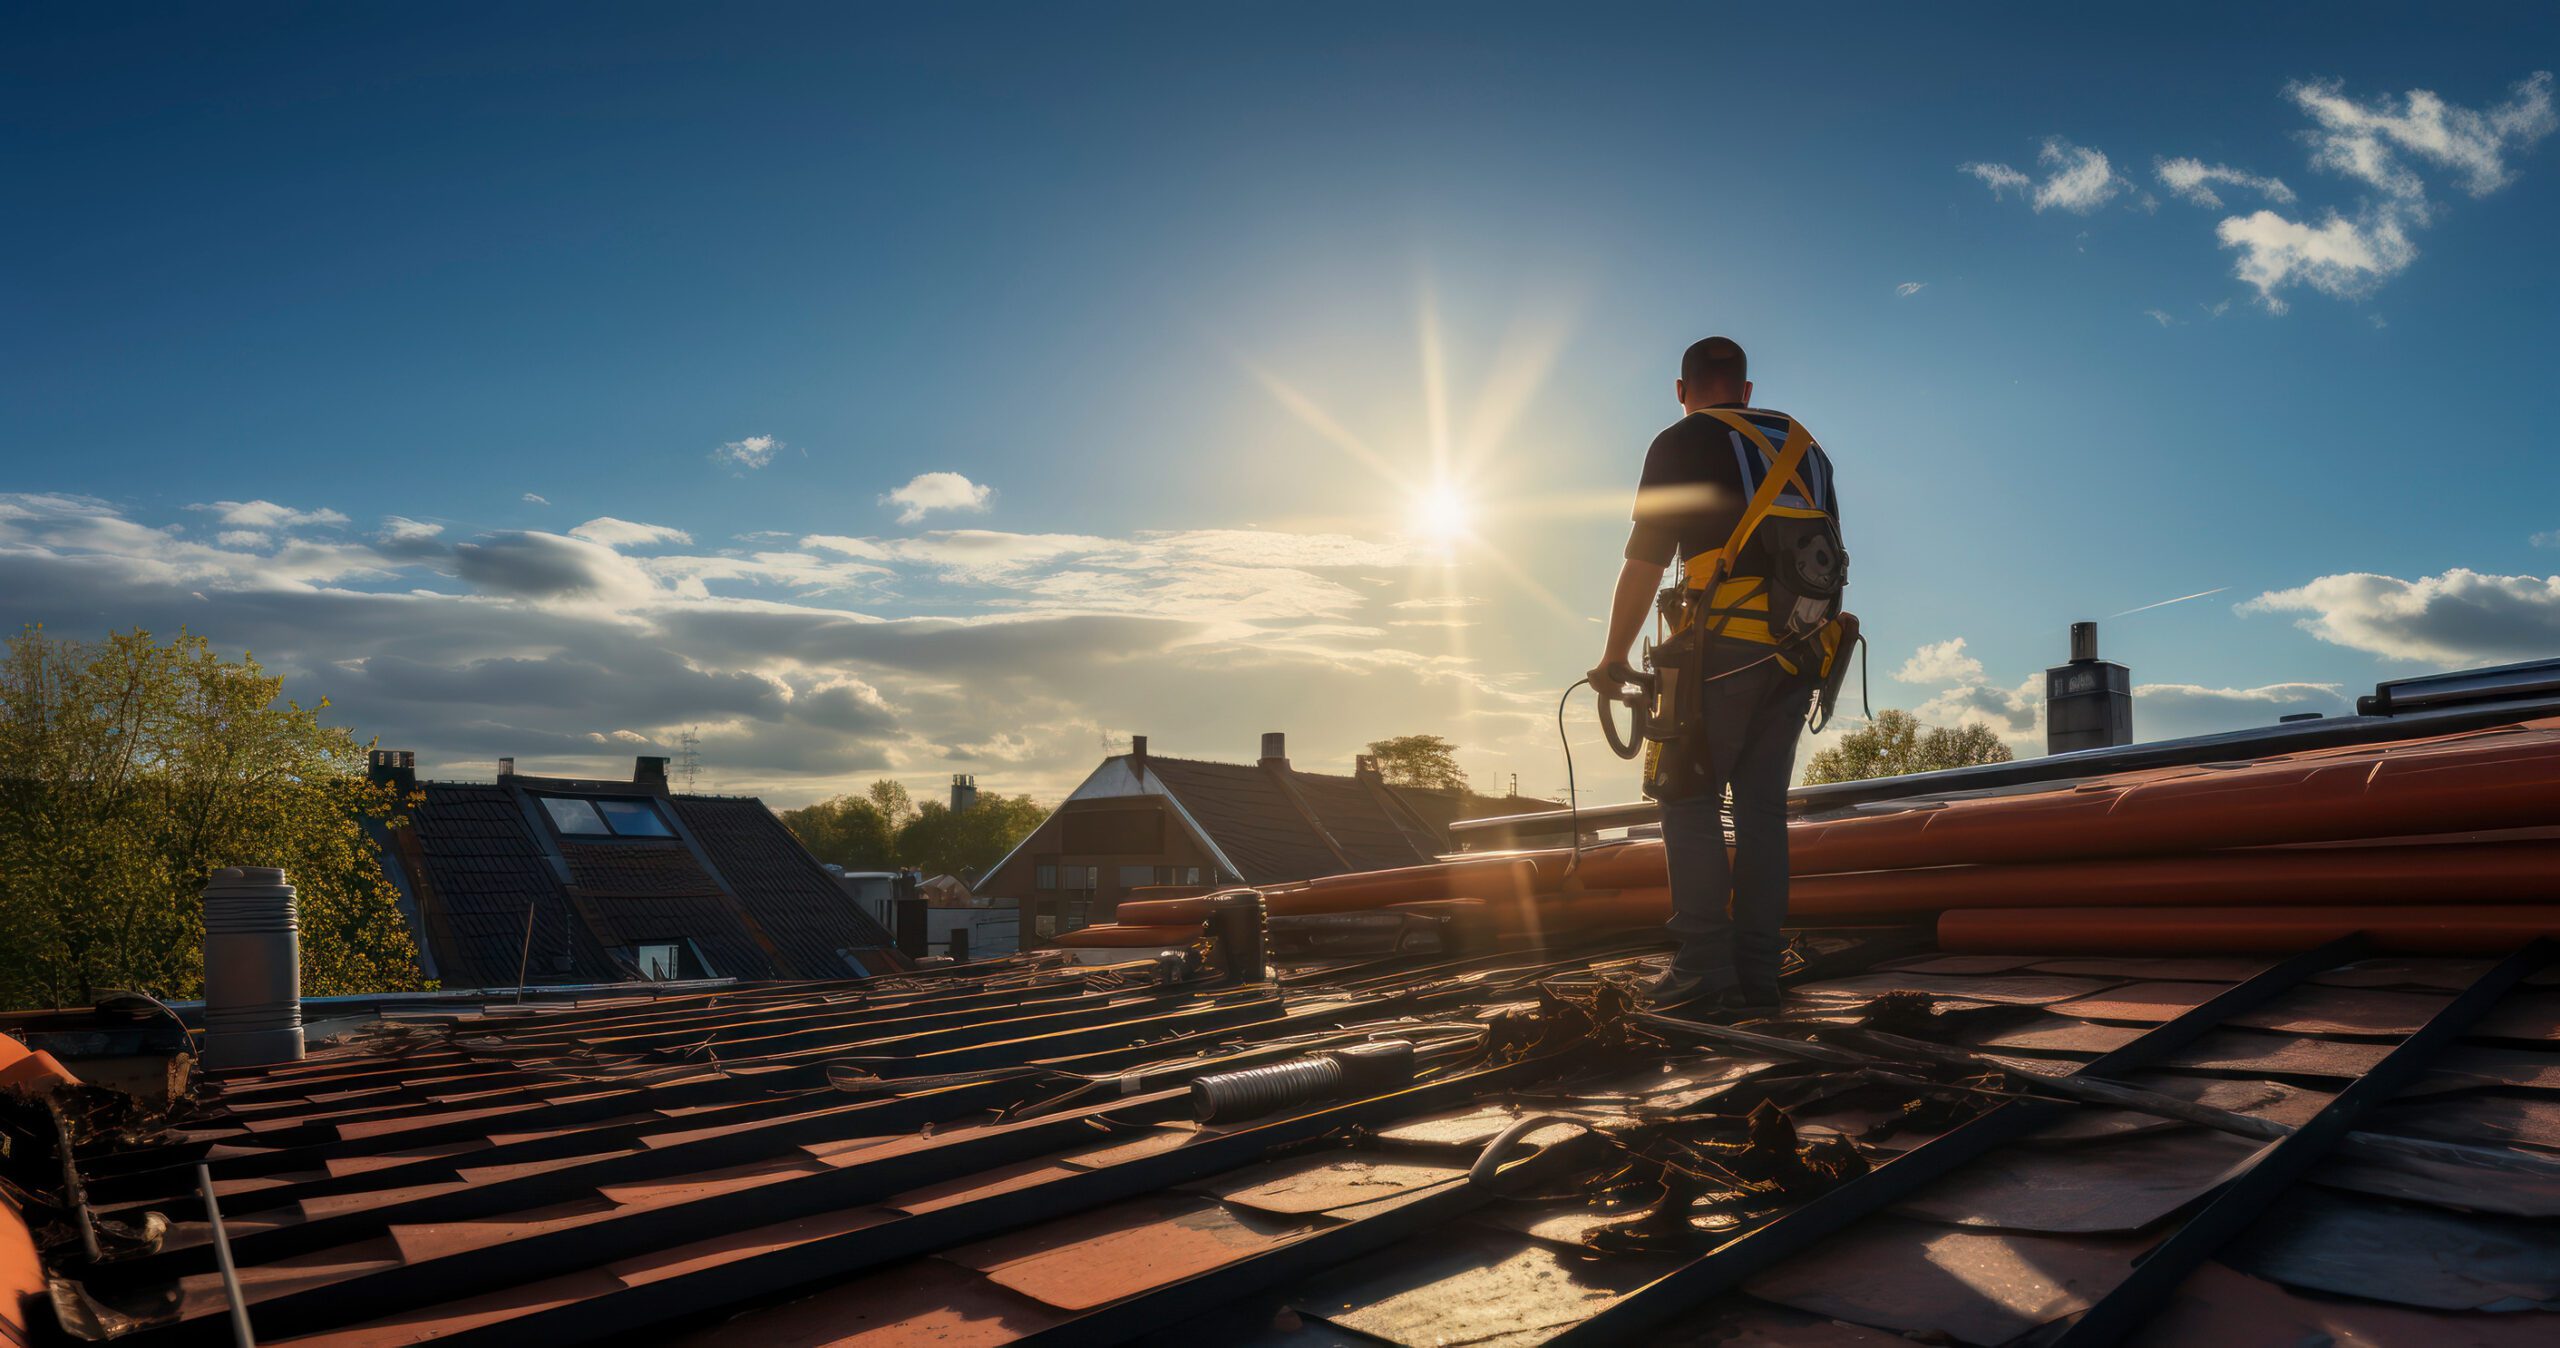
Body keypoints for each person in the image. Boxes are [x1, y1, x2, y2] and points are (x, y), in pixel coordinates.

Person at [1590, 335, 1843, 1014]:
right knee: (1762, 810)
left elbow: (1647, 559)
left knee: (1686, 795)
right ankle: (1758, 970)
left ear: (1682, 390)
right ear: (1747, 391)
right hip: (1799, 651)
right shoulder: (1806, 451)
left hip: (1719, 647)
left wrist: (1614, 657)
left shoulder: (1683, 440)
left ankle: (1704, 966)